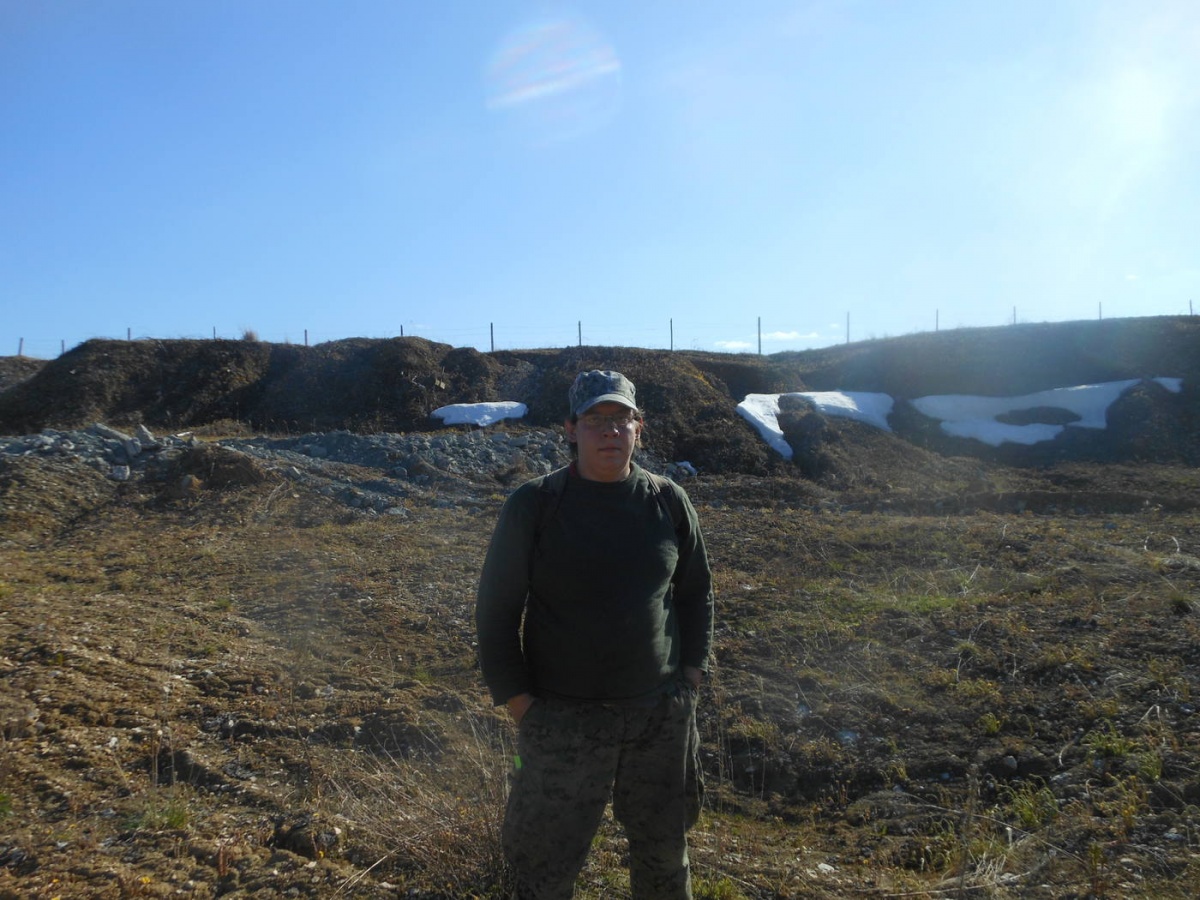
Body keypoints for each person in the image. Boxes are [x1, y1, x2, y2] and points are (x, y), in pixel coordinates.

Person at [476, 369, 715, 900]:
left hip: (659, 718)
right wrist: (521, 705)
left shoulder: (668, 501)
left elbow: (696, 592)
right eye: (595, 420)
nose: (610, 431)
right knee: (541, 870)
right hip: (562, 720)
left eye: (621, 419)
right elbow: (495, 612)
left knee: (664, 859)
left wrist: (691, 678)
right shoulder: (535, 505)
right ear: (570, 429)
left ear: (639, 428)